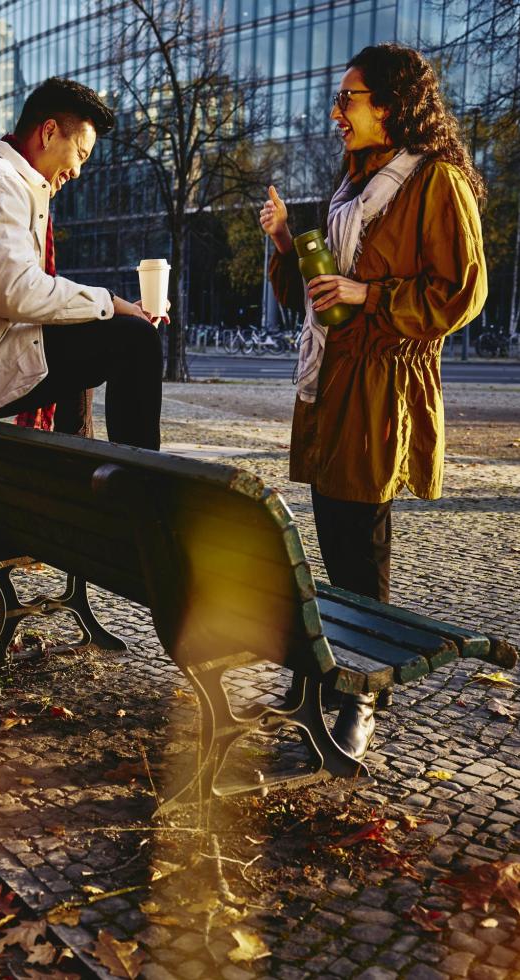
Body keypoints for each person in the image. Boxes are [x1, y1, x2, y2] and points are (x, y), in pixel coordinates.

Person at [259, 43, 487, 758]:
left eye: (348, 98)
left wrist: (369, 294)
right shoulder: (354, 184)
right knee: (336, 539)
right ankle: (336, 679)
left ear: (390, 103)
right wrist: (282, 245)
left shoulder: (434, 182)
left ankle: (361, 699)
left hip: (382, 385)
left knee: (362, 546)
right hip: (333, 377)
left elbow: (460, 292)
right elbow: (325, 296)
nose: (336, 112)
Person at [0, 77, 166, 449]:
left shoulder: (2, 181)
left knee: (94, 327)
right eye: (81, 155)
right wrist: (111, 303)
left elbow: (23, 292)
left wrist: (106, 311)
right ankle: (144, 489)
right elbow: (15, 293)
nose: (78, 172)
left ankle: (77, 470)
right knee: (136, 341)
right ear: (49, 132)